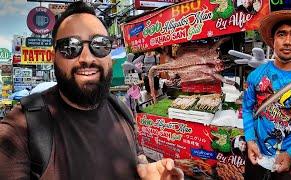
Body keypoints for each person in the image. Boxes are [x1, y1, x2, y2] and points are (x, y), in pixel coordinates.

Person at [0, 2, 183, 180]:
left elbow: (138, 159)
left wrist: (145, 172)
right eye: (70, 47)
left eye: (100, 45)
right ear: (53, 56)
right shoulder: (21, 128)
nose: (87, 58)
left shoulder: (121, 110)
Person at [243, 10, 291, 179]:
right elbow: (247, 109)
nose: (287, 41)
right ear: (272, 41)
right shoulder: (255, 76)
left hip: (288, 162)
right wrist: (250, 140)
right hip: (256, 156)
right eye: (281, 34)